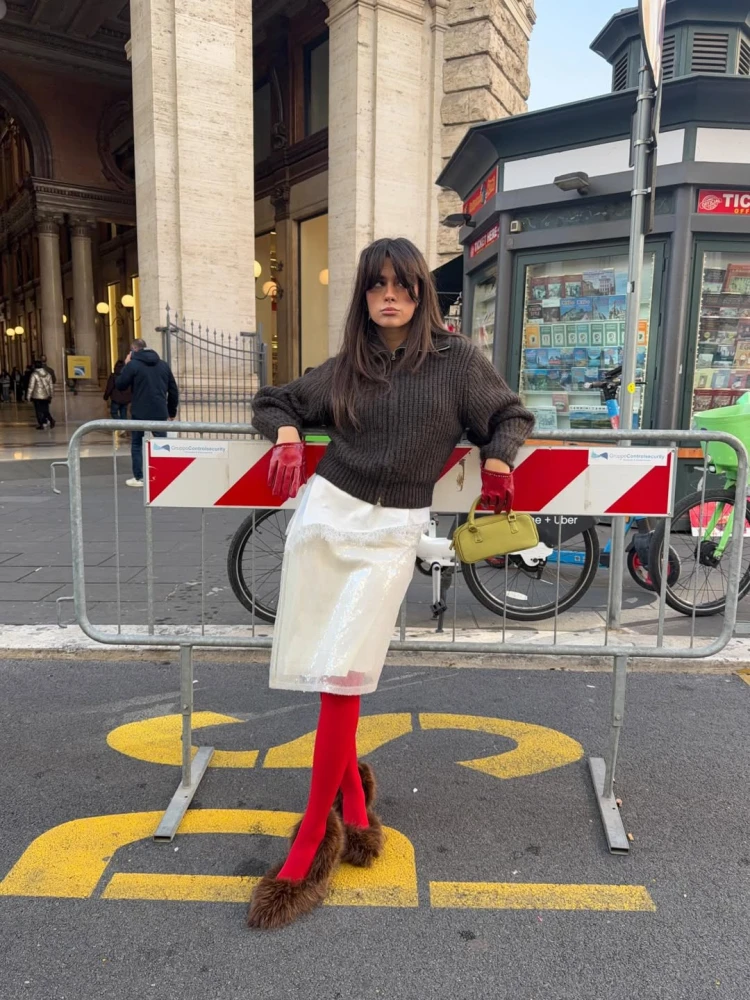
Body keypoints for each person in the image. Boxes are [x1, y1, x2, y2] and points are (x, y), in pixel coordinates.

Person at [247, 237, 534, 930]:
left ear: (420, 292)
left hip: (390, 534)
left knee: (344, 679)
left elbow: (510, 414)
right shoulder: (350, 362)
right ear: (364, 295)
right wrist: (286, 436)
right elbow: (275, 399)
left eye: (402, 284)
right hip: (326, 519)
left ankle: (311, 844)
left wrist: (498, 459)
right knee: (328, 674)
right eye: (376, 285)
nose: (389, 296)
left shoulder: (456, 361)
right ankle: (353, 810)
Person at [116, 338, 178, 487]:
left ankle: (140, 477)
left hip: (140, 411)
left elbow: (120, 384)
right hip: (159, 411)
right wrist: (171, 411)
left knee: (137, 444)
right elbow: (173, 390)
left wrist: (126, 365)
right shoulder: (163, 365)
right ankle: (163, 475)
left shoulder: (133, 365)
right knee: (162, 444)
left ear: (133, 350)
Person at [27, 358, 56, 429]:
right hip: (46, 395)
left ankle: (41, 424)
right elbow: (51, 385)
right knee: (45, 409)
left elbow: (31, 386)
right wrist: (51, 394)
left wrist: (28, 396)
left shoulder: (34, 374)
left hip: (36, 395)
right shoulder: (48, 374)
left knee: (38, 410)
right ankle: (51, 419)